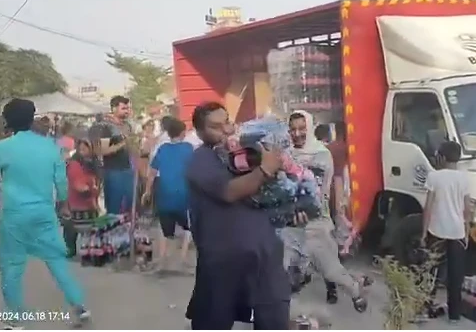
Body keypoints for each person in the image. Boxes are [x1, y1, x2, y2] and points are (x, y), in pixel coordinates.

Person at [185, 102, 290, 330]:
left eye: (227, 122)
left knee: (274, 318)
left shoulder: (249, 151)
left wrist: (295, 209)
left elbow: (276, 195)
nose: (226, 130)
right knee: (213, 320)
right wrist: (264, 170)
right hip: (223, 260)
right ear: (201, 132)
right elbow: (229, 192)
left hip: (265, 255)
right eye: (216, 127)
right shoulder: (200, 160)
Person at [0, 99, 89, 329]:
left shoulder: (4, 147)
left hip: (15, 215)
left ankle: (15, 317)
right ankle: (79, 305)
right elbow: (61, 181)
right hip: (44, 212)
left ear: (8, 120)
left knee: (11, 265)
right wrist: (63, 204)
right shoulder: (50, 147)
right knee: (55, 258)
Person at [286, 110, 369, 312]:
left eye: (301, 129)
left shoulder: (321, 155)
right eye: (293, 129)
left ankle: (355, 289)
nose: (296, 134)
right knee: (286, 267)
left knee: (331, 271)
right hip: (290, 224)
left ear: (310, 128)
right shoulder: (285, 153)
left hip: (315, 224)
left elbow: (316, 191)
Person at [420, 140, 471, 322]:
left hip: (437, 231)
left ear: (441, 157)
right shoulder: (464, 178)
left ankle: (425, 308)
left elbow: (428, 207)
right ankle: (454, 316)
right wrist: (466, 231)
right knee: (455, 276)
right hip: (457, 232)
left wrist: (424, 232)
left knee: (431, 272)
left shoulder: (435, 177)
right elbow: (467, 209)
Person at [142, 118, 194, 270]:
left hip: (164, 193)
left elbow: (152, 173)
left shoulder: (163, 148)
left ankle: (163, 258)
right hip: (184, 193)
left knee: (164, 228)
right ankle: (182, 258)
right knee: (188, 227)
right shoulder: (188, 148)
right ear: (183, 133)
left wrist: (147, 191)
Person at [90, 95, 134, 215]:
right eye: (123, 108)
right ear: (114, 108)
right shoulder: (105, 127)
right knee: (114, 208)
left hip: (128, 168)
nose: (127, 111)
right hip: (113, 171)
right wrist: (123, 143)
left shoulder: (127, 126)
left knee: (130, 206)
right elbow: (101, 151)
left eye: (128, 108)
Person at [63, 139, 100, 258]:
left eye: (86, 149)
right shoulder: (74, 164)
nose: (83, 152)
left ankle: (88, 251)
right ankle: (70, 249)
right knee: (72, 227)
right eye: (81, 149)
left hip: (90, 202)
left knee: (89, 230)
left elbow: (96, 183)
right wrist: (90, 189)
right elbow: (78, 186)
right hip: (76, 202)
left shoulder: (94, 164)